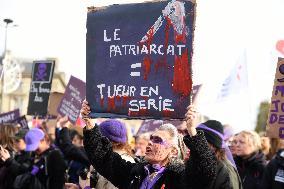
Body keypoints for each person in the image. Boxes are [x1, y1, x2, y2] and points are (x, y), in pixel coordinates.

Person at [81, 100, 217, 189]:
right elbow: (102, 158)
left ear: (173, 151)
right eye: (151, 138)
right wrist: (89, 123)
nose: (150, 143)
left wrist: (192, 130)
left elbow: (205, 170)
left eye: (158, 140)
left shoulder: (180, 179)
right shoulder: (136, 172)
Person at [196, 120, 242, 189]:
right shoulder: (202, 163)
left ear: (212, 145)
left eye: (201, 141)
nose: (195, 144)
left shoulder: (225, 171)